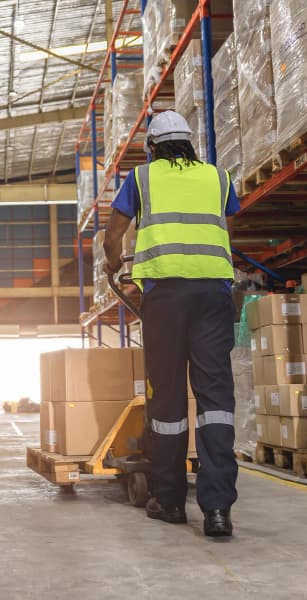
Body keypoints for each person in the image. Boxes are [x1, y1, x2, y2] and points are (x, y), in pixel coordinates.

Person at [103, 111, 239, 537]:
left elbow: (114, 234)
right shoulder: (219, 177)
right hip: (214, 293)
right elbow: (229, 222)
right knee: (215, 396)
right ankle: (217, 510)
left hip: (165, 296)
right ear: (189, 142)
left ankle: (171, 500)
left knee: (167, 398)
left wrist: (113, 261)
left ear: (153, 146)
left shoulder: (141, 179)